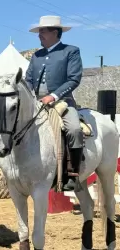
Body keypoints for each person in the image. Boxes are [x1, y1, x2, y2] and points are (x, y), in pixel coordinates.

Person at [26, 15, 83, 191]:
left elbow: (74, 79)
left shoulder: (71, 51)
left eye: (42, 31)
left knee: (74, 128)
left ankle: (73, 174)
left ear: (55, 33)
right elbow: (28, 79)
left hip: (62, 102)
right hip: (36, 103)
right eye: (39, 31)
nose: (39, 35)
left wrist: (53, 96)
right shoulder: (36, 55)